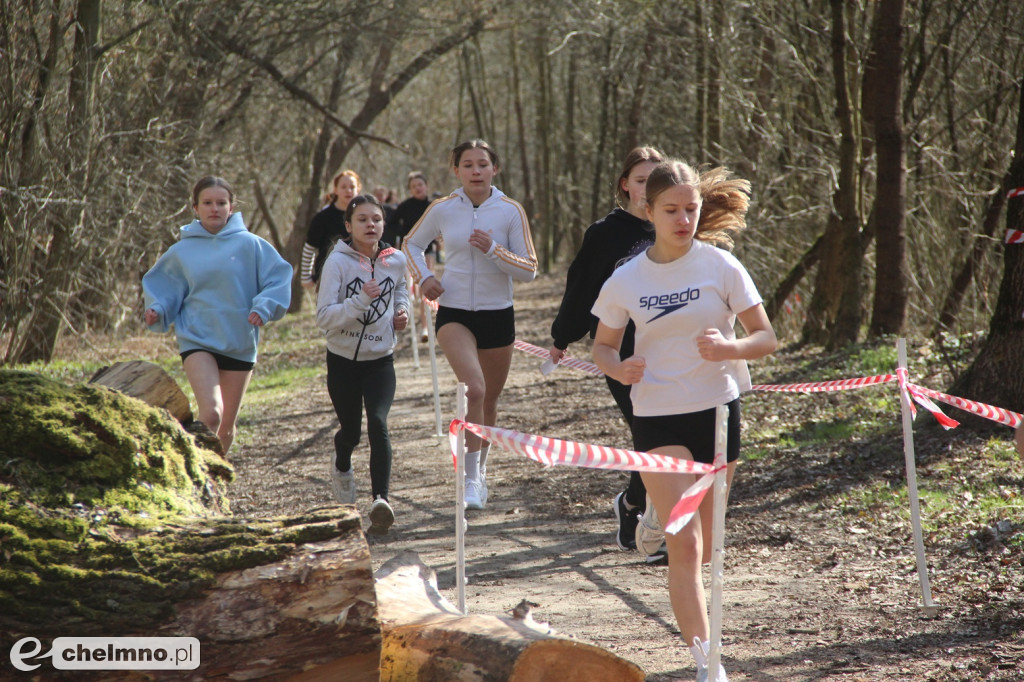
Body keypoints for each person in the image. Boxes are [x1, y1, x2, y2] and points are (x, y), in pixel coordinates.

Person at [591, 160, 777, 682]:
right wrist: (618, 366)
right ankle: (706, 662)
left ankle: (655, 521)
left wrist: (729, 347)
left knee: (711, 545)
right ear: (647, 211)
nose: (683, 219)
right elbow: (602, 345)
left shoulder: (720, 266)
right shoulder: (627, 277)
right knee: (687, 545)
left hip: (717, 413)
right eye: (671, 210)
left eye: (691, 209)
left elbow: (766, 337)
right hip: (657, 415)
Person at [403, 139, 537, 510]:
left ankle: (479, 474)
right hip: (455, 310)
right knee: (473, 390)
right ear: (456, 170)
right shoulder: (443, 209)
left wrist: (495, 250)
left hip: (498, 313)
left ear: (494, 169)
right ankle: (468, 479)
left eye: (482, 164)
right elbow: (410, 245)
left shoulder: (510, 211)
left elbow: (529, 269)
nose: (475, 171)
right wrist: (424, 278)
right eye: (468, 165)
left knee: (489, 400)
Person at [548, 146, 665, 563]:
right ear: (625, 184)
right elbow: (581, 287)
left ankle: (633, 505)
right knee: (650, 434)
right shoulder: (605, 233)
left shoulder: (673, 226)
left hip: (669, 350)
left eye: (656, 181)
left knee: (658, 438)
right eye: (640, 181)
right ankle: (655, 526)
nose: (647, 190)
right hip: (620, 351)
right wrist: (562, 336)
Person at [143, 176, 292, 456]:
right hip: (197, 339)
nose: (215, 208)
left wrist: (263, 307)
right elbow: (166, 287)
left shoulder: (252, 245)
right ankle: (194, 473)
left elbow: (278, 279)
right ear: (195, 208)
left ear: (231, 207)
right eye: (208, 203)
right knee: (211, 414)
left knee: (225, 426)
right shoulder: (182, 251)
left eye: (221, 203)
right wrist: (158, 309)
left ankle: (213, 482)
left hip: (239, 341)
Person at [316, 193, 410, 535]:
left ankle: (380, 501)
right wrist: (360, 301)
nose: (370, 225)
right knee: (351, 433)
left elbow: (401, 291)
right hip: (342, 361)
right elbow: (325, 318)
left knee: (379, 423)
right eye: (362, 220)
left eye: (376, 219)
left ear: (384, 224)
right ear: (348, 226)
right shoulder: (337, 263)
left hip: (380, 360)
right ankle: (342, 466)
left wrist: (402, 313)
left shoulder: (395, 260)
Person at [386, 171, 434, 340]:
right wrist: (404, 233)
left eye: (420, 185)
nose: (418, 188)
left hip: (428, 250)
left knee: (426, 288)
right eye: (413, 186)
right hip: (410, 251)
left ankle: (425, 328)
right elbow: (391, 224)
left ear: (426, 186)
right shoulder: (405, 206)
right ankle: (406, 315)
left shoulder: (433, 205)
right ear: (410, 190)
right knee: (412, 288)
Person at [301, 169, 361, 289]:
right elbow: (310, 247)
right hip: (327, 278)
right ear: (335, 190)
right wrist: (306, 277)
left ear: (358, 189)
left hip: (358, 278)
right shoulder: (323, 217)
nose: (348, 190)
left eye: (352, 187)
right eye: (343, 187)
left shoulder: (363, 216)